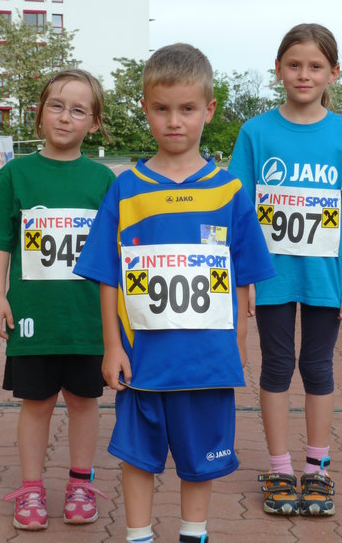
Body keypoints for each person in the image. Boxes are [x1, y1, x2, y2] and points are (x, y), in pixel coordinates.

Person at [74, 43, 275, 543]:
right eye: (162, 109)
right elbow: (108, 274)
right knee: (138, 458)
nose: (174, 121)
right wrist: (113, 346)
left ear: (208, 110)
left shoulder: (229, 191)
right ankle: (138, 535)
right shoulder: (126, 189)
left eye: (187, 109)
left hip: (206, 361)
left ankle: (194, 534)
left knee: (199, 461)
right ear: (145, 108)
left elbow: (244, 275)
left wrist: (240, 342)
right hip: (142, 362)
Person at [229, 24, 342, 517]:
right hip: (272, 277)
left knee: (317, 368)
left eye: (315, 66)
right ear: (278, 70)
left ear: (333, 73)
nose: (304, 74)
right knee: (276, 367)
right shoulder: (256, 132)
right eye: (294, 64)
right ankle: (278, 466)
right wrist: (245, 279)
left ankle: (316, 468)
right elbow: (241, 212)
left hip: (325, 279)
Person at [0, 69, 115, 530]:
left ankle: (80, 483)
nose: (65, 117)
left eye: (78, 110)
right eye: (56, 106)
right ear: (38, 113)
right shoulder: (15, 175)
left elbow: (117, 252)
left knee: (84, 402)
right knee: (36, 403)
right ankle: (30, 488)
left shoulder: (103, 181)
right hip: (34, 317)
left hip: (87, 319)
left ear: (94, 123)